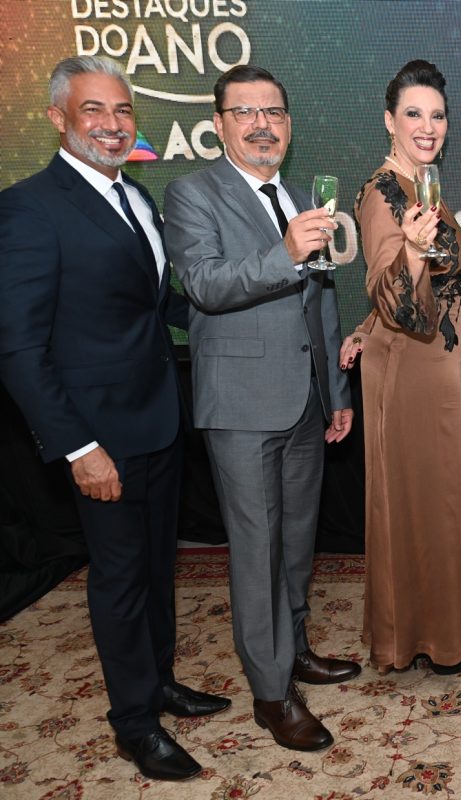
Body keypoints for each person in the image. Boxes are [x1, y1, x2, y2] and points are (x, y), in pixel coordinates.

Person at [0, 55, 229, 781]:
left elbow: (157, 305)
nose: (112, 124)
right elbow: (18, 348)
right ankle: (134, 722)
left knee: (158, 567)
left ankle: (159, 683)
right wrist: (79, 448)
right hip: (99, 436)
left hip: (158, 418)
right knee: (120, 579)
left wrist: (240, 315)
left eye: (123, 109)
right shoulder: (30, 208)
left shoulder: (136, 193)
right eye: (93, 110)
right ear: (58, 118)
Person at [163, 64, 359, 753]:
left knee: (297, 538)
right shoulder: (192, 194)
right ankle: (272, 693)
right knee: (256, 550)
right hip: (241, 406)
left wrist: (336, 394)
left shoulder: (301, 195)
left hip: (305, 400)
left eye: (273, 112)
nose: (261, 125)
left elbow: (322, 300)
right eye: (245, 112)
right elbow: (204, 286)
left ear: (289, 124)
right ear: (218, 125)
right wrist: (284, 253)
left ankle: (294, 649)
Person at [337, 60, 461, 675]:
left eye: (437, 115)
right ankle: (422, 639)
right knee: (423, 505)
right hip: (412, 372)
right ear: (389, 121)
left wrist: (363, 326)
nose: (428, 126)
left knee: (447, 504)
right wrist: (418, 253)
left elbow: (397, 294)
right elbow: (394, 295)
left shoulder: (423, 186)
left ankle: (443, 632)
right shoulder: (383, 192)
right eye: (414, 114)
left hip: (441, 367)